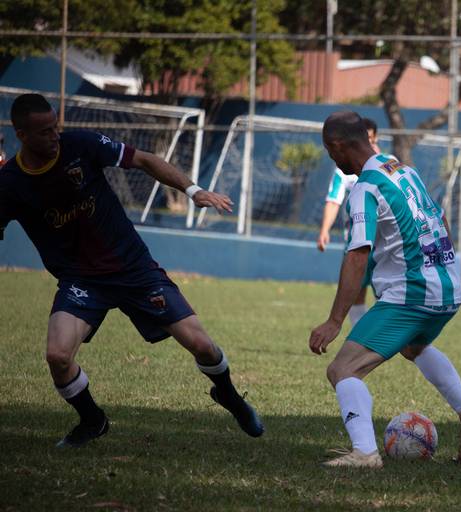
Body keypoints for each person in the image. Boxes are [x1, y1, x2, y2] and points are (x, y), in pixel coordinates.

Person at [0, 93, 264, 448]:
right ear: (21, 134)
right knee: (58, 357)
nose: (55, 136)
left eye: (55, 126)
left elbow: (143, 159)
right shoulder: (10, 183)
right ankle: (92, 420)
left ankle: (229, 396)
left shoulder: (80, 145)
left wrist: (193, 190)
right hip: (81, 280)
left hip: (133, 268)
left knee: (203, 346)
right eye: (45, 131)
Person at [309, 111, 461, 468]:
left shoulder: (365, 189)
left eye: (330, 152)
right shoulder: (404, 170)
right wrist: (451, 274)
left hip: (412, 296)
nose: (332, 159)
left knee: (343, 370)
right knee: (414, 346)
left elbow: (357, 255)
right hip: (445, 292)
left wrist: (334, 321)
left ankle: (365, 452)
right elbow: (438, 219)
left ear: (338, 145)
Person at [316, 117, 382, 327]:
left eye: (371, 140)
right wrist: (325, 230)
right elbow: (333, 200)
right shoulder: (345, 170)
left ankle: (382, 338)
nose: (368, 144)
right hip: (356, 241)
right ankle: (363, 338)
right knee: (355, 293)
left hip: (385, 246)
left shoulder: (389, 165)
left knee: (388, 297)